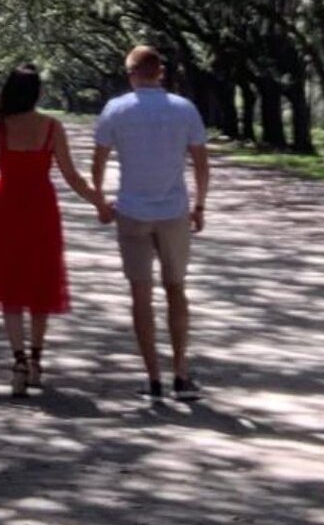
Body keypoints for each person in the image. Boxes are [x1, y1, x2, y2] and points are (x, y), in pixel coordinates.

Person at [0, 63, 111, 397]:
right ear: (38, 93)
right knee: (42, 283)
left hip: (7, 209)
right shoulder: (52, 127)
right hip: (41, 210)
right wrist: (99, 202)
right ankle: (37, 361)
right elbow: (72, 176)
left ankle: (19, 362)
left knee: (11, 287)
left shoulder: (1, 127)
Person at [92, 45, 210, 401]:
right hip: (174, 211)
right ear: (160, 73)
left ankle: (154, 379)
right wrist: (199, 205)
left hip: (132, 211)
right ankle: (181, 375)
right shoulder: (184, 108)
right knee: (176, 288)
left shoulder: (116, 109)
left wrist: (101, 201)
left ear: (131, 74)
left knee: (140, 295)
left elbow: (98, 163)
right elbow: (201, 164)